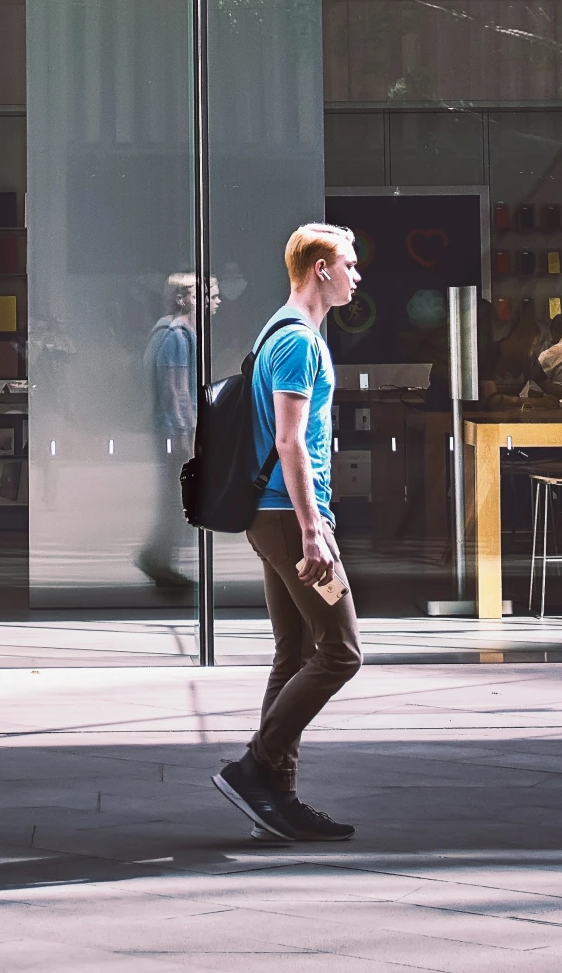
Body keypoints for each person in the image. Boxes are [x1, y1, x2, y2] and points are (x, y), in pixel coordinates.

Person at [213, 223, 362, 849]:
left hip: (271, 516)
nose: (358, 276)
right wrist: (312, 530)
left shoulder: (276, 330)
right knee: (342, 651)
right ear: (321, 268)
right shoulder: (299, 343)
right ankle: (254, 768)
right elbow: (290, 440)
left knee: (295, 652)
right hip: (288, 518)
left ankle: (275, 797)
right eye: (350, 264)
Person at [136, 272, 213, 595]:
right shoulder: (175, 335)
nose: (213, 301)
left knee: (176, 500)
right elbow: (175, 390)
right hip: (174, 431)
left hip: (172, 430)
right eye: (205, 294)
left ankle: (159, 559)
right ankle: (157, 558)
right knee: (177, 500)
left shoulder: (175, 333)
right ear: (183, 299)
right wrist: (187, 435)